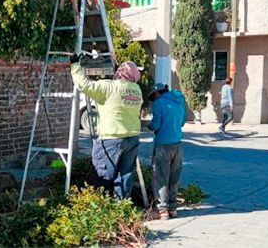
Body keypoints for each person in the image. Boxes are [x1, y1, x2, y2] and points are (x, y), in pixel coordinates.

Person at [70, 53, 143, 199]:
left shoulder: (109, 88)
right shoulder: (136, 89)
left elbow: (84, 85)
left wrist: (75, 65)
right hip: (132, 138)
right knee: (125, 176)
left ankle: (103, 210)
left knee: (104, 177)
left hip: (111, 140)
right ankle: (121, 210)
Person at [148, 82, 186, 220]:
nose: (154, 99)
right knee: (174, 178)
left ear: (157, 93)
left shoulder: (159, 103)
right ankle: (173, 209)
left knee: (161, 177)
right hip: (177, 144)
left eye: (154, 96)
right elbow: (182, 122)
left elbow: (156, 124)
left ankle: (163, 210)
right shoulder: (179, 101)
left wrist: (150, 126)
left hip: (163, 145)